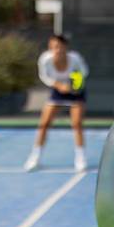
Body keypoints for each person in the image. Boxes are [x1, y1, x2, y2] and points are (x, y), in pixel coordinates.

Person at [24, 34, 89, 172]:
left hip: (75, 92)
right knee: (44, 124)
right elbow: (44, 76)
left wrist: (74, 84)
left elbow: (84, 72)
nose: (56, 49)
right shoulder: (45, 59)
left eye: (59, 46)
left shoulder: (75, 59)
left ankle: (80, 158)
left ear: (65, 47)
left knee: (77, 124)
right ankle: (35, 157)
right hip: (57, 90)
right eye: (53, 47)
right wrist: (57, 84)